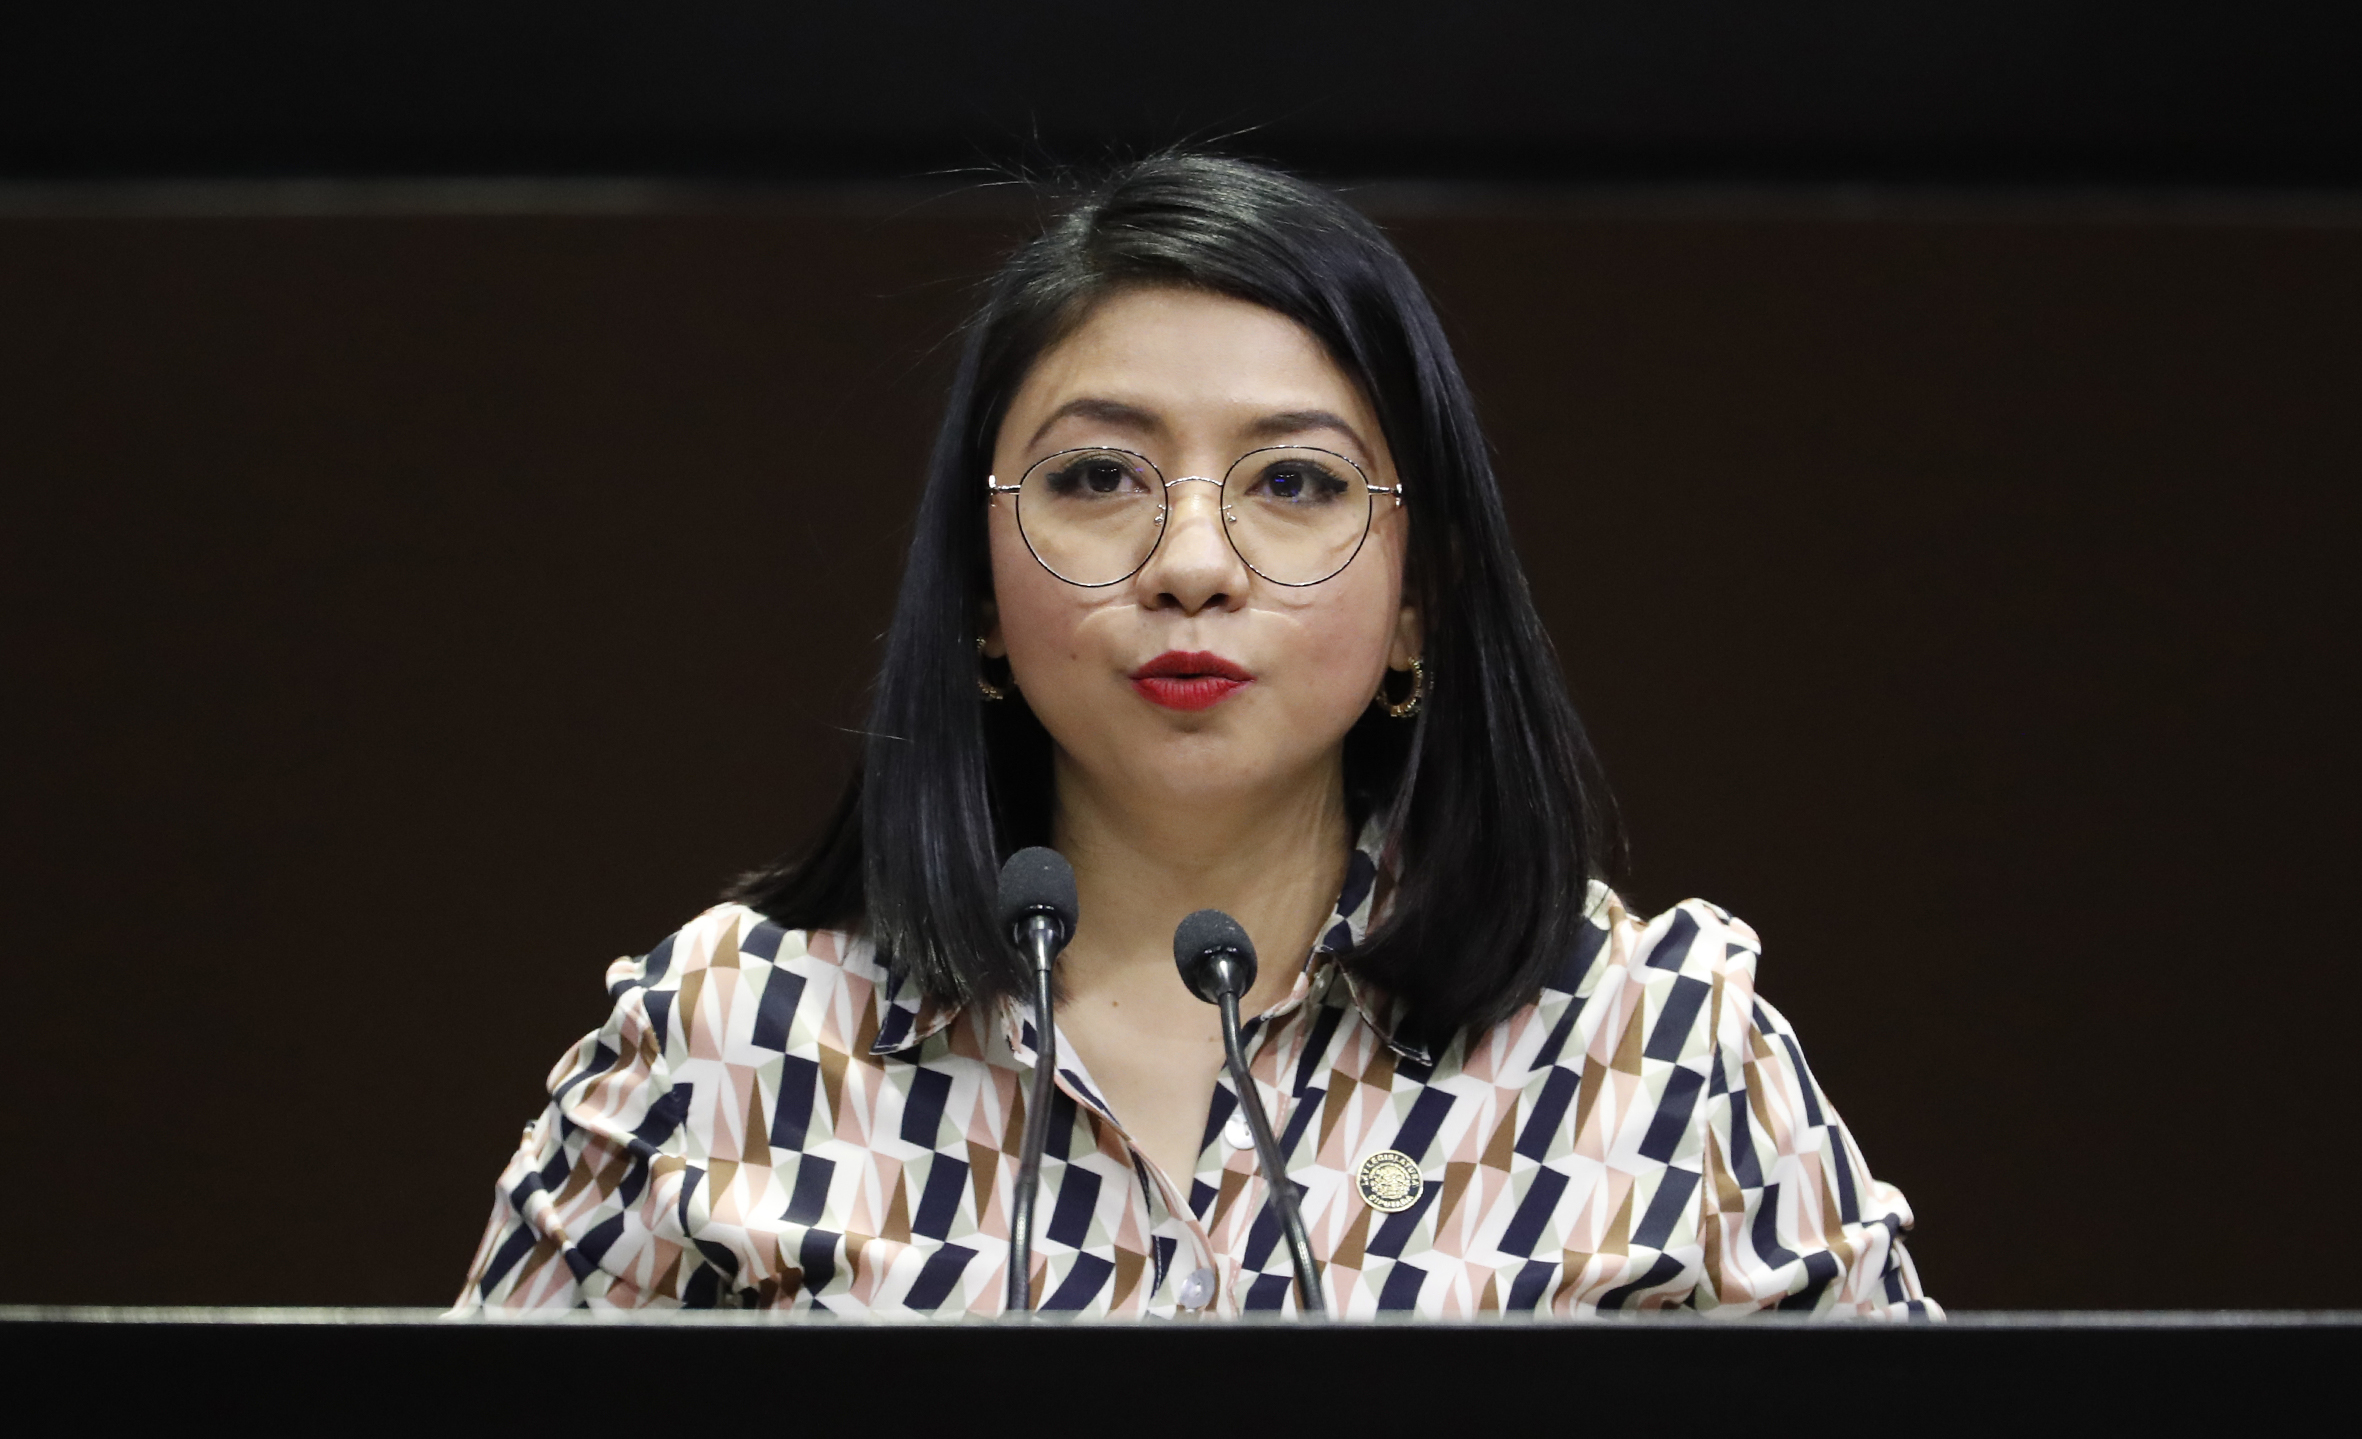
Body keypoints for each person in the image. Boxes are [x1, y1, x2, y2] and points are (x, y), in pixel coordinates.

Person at [456, 154, 1933, 1319]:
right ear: (977, 590)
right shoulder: (732, 1042)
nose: (1192, 565)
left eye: (1293, 484)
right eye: (1099, 475)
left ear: (1419, 603)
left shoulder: (1656, 1051)